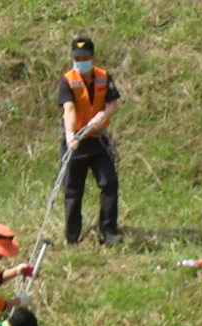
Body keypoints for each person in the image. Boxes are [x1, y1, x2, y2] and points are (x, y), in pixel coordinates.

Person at [58, 35, 122, 245]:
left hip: (98, 141)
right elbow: (69, 109)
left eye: (84, 57)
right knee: (73, 191)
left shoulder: (104, 77)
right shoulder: (68, 80)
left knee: (109, 182)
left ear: (93, 57)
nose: (80, 61)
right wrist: (70, 136)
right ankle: (72, 237)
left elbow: (114, 104)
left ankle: (108, 230)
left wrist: (103, 115)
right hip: (76, 142)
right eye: (76, 57)